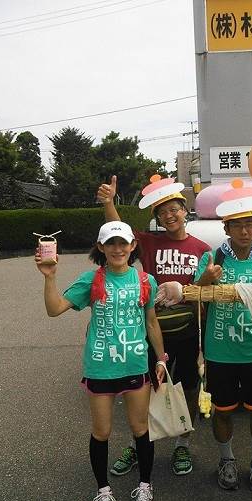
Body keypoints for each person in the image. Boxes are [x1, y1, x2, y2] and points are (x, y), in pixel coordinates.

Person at [35, 220, 166, 501]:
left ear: (133, 246)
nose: (117, 249)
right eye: (111, 243)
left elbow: (152, 322)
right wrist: (49, 276)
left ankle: (145, 485)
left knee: (140, 428)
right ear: (101, 247)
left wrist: (161, 359)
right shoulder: (91, 279)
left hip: (135, 365)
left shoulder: (146, 281)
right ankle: (103, 491)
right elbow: (54, 310)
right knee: (102, 431)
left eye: (123, 243)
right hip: (101, 366)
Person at [97, 175, 210, 477]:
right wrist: (109, 203)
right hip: (148, 330)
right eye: (162, 212)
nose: (169, 216)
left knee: (186, 387)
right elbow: (118, 230)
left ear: (185, 210)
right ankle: (138, 445)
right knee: (144, 389)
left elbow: (203, 287)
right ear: (157, 218)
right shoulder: (148, 242)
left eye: (174, 209)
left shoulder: (202, 248)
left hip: (186, 331)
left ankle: (182, 444)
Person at [193, 180, 252, 491]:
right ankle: (226, 459)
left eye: (249, 225)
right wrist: (205, 279)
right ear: (227, 228)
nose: (244, 231)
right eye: (237, 225)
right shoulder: (213, 259)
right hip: (220, 353)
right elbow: (194, 297)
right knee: (223, 410)